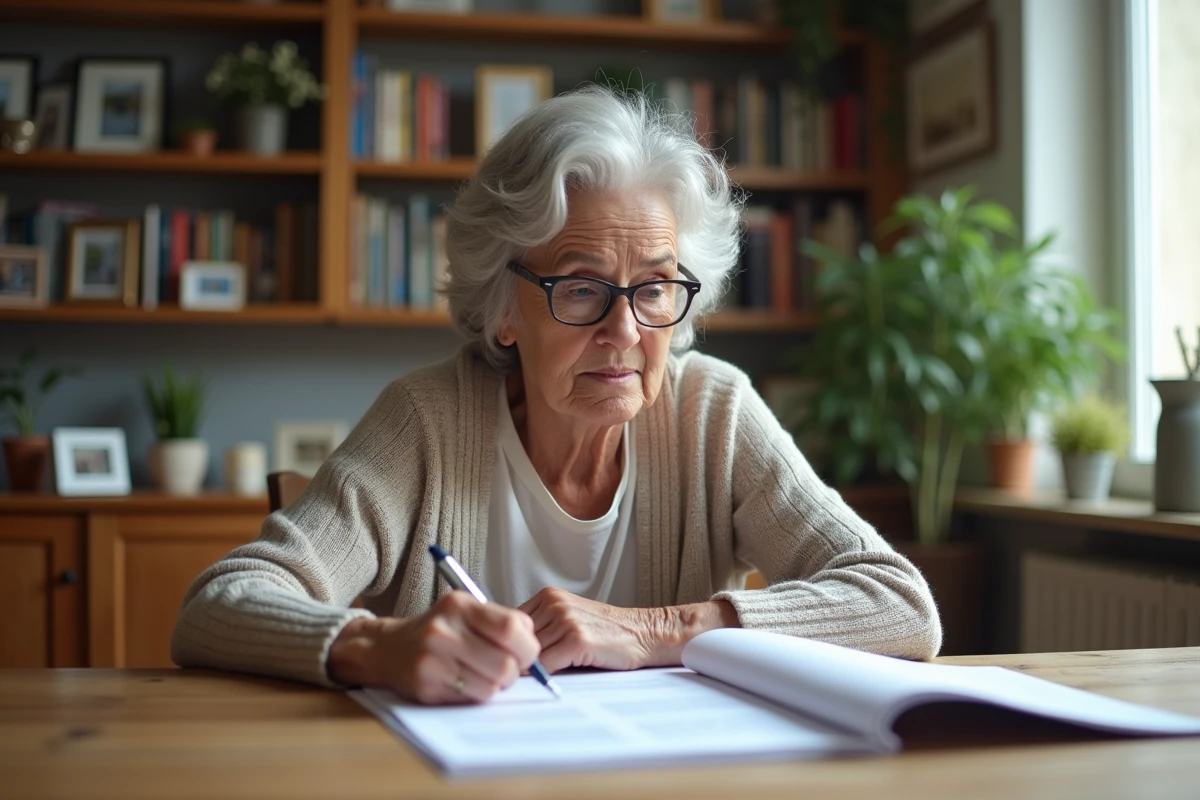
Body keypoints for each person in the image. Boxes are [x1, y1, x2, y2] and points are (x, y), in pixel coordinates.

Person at [172, 86, 941, 705]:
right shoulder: (426, 422)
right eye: (580, 289)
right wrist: (374, 645)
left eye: (654, 288)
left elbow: (900, 604)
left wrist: (656, 629)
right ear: (503, 309)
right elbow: (219, 604)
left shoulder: (714, 411)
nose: (624, 329)